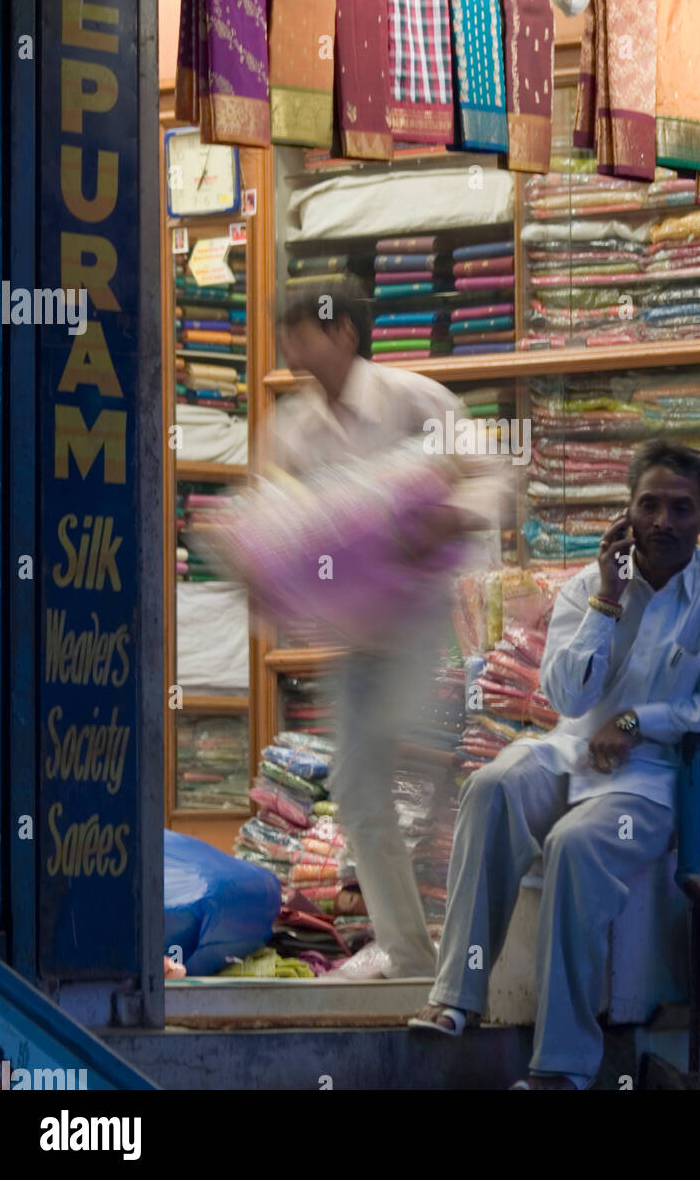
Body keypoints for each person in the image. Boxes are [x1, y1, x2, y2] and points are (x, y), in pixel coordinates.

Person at [409, 439, 700, 1088]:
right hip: (572, 755)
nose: (662, 521)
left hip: (664, 778)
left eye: (680, 508)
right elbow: (564, 697)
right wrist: (607, 599)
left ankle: (563, 1066)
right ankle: (457, 994)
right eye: (648, 505)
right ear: (626, 512)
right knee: (490, 786)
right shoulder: (586, 586)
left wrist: (637, 721)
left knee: (575, 844)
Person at [263, 278, 501, 981]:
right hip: (363, 635)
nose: (291, 346)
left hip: (441, 619)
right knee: (361, 788)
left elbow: (491, 478)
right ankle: (410, 957)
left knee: (450, 782)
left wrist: (446, 516)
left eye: (301, 330)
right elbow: (285, 525)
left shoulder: (417, 401)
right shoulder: (294, 430)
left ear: (343, 333)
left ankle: (469, 952)